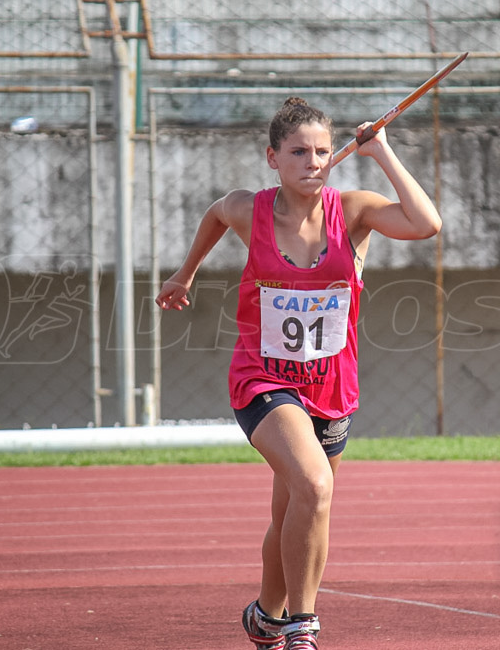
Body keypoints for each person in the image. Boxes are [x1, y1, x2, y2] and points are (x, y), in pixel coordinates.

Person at [155, 97, 441, 650]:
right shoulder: (250, 210)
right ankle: (300, 627)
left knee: (293, 506)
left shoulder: (354, 210)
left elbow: (426, 224)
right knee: (314, 484)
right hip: (262, 376)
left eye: (322, 151)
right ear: (273, 158)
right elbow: (216, 211)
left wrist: (380, 151)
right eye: (298, 152)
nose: (313, 161)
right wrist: (183, 275)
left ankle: (266, 613)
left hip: (331, 384)